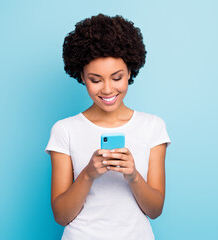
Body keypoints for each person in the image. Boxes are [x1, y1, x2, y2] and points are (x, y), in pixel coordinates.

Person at [45, 14, 171, 240]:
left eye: (117, 77)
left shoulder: (153, 127)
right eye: (95, 80)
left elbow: (155, 210)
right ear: (82, 76)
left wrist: (133, 175)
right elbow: (61, 216)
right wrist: (88, 174)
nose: (107, 89)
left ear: (130, 72)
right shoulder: (64, 130)